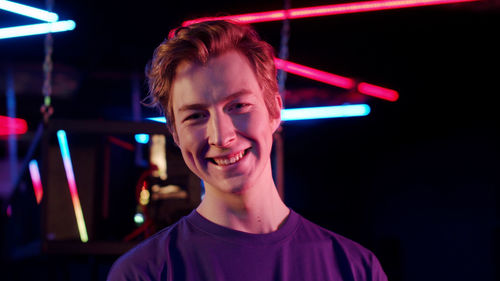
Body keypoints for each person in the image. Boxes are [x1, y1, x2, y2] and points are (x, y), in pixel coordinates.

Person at [107, 20, 387, 281]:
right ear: (176, 134)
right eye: (195, 116)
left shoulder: (355, 268)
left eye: (238, 106)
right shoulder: (144, 273)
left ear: (275, 110)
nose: (221, 136)